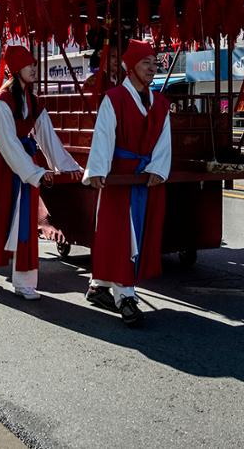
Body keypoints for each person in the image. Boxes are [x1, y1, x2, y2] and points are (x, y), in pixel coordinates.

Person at [0, 45, 82, 300]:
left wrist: (68, 167)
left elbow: (48, 136)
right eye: (29, 65)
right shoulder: (0, 101)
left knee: (25, 222)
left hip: (24, 166)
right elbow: (6, 142)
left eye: (34, 64)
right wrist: (35, 172)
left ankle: (24, 281)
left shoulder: (33, 100)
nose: (33, 69)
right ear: (16, 69)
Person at [82, 40, 171, 326]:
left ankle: (99, 285)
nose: (152, 68)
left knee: (129, 235)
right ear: (131, 66)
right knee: (119, 235)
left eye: (155, 63)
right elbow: (104, 135)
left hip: (144, 177)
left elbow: (163, 140)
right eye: (147, 62)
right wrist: (98, 169)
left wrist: (158, 167)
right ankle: (126, 297)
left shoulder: (159, 102)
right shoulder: (115, 98)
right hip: (119, 177)